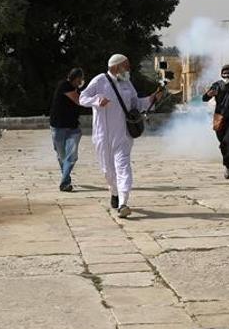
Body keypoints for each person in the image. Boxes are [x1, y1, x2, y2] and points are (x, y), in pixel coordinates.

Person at [78, 54, 163, 218]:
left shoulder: (127, 83)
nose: (129, 69)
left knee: (123, 167)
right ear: (116, 67)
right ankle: (115, 192)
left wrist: (152, 98)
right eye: (126, 66)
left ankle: (123, 202)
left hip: (123, 134)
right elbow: (82, 98)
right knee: (108, 171)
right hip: (102, 136)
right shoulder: (99, 81)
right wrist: (97, 100)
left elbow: (136, 104)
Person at [49, 68, 85, 192]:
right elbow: (79, 100)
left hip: (73, 128)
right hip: (58, 127)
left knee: (72, 156)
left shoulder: (76, 89)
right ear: (75, 78)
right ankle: (66, 177)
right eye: (79, 79)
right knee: (62, 156)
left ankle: (64, 183)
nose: (81, 82)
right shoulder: (64, 86)